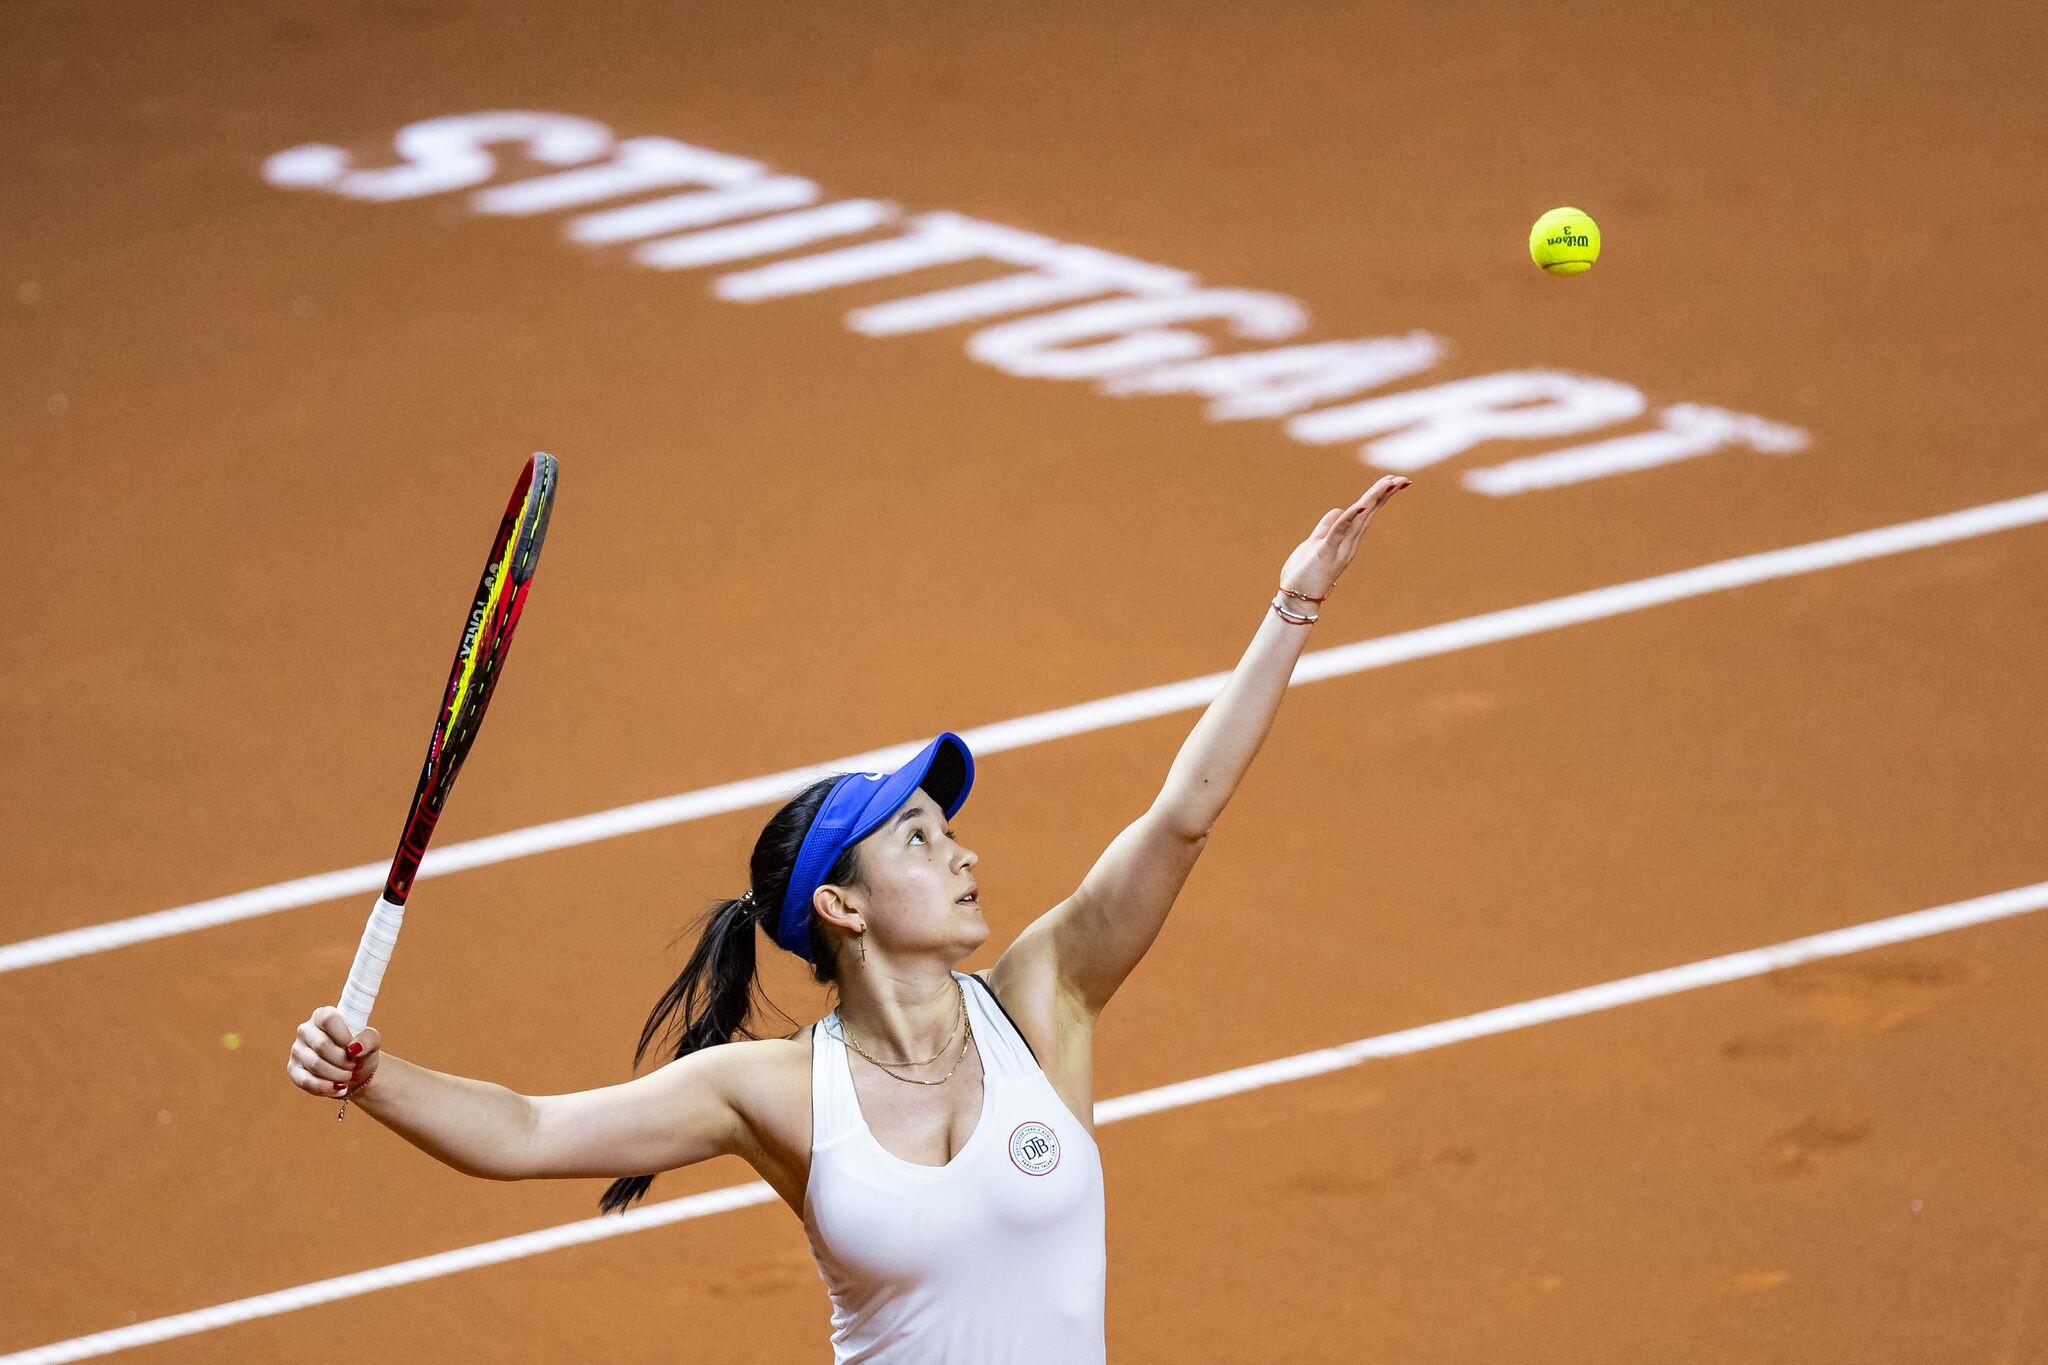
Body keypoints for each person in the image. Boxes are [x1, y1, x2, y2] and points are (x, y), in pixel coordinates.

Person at [287, 475, 1411, 1362]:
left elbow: (1180, 819)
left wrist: (1293, 606)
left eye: (947, 830)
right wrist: (373, 1076)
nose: (962, 852)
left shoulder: (1045, 998)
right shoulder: (772, 1090)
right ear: (841, 905)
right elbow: (529, 1132)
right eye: (917, 838)